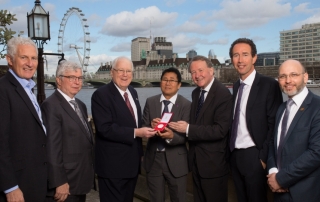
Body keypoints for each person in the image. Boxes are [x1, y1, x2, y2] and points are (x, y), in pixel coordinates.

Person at [91, 56, 156, 202]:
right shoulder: (101, 95)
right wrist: (137, 132)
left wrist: (148, 126)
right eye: (121, 70)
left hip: (132, 165)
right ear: (112, 72)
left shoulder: (133, 92)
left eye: (128, 71)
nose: (125, 74)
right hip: (112, 167)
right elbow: (104, 128)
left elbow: (133, 121)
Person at [169, 55, 232, 202]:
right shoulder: (196, 92)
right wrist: (168, 125)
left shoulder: (223, 94)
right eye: (193, 72)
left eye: (200, 70)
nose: (197, 75)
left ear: (212, 70)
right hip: (196, 162)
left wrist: (188, 129)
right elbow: (194, 121)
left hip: (213, 164)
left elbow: (220, 130)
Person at [228, 38, 283, 202]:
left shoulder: (268, 85)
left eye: (245, 55)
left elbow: (275, 123)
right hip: (235, 156)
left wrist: (263, 157)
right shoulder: (236, 85)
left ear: (254, 58)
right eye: (236, 55)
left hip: (255, 156)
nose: (240, 60)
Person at [0, 37, 47, 201]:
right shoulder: (3, 90)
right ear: (10, 59)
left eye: (34, 58)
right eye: (24, 57)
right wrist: (10, 186)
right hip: (18, 185)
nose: (30, 63)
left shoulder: (27, 88)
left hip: (36, 181)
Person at [267, 59, 320, 202]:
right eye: (283, 76)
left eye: (293, 75)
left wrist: (281, 179)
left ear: (305, 77)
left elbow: (316, 153)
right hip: (278, 192)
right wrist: (272, 171)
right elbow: (273, 143)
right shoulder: (281, 108)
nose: (288, 81)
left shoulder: (317, 107)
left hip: (305, 193)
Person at [41, 61, 94, 202]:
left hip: (80, 180)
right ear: (58, 80)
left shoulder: (80, 105)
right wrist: (59, 182)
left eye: (80, 78)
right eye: (71, 78)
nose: (77, 82)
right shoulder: (50, 106)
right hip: (66, 183)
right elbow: (52, 148)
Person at [142, 67, 191, 202]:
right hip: (153, 160)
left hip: (177, 161)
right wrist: (150, 128)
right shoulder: (150, 102)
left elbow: (188, 135)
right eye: (165, 80)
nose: (168, 83)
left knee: (178, 199)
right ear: (160, 82)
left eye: (172, 80)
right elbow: (143, 128)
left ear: (179, 85)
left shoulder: (186, 105)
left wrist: (172, 137)